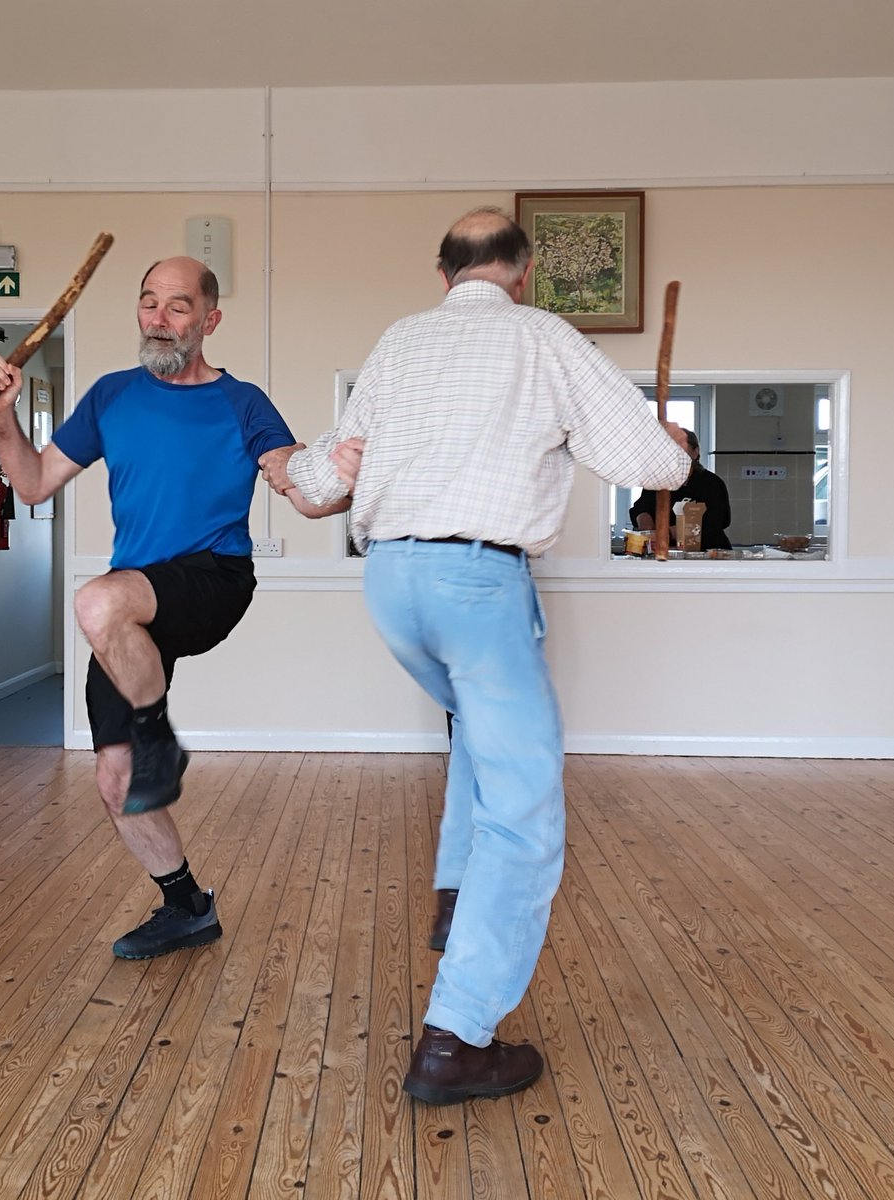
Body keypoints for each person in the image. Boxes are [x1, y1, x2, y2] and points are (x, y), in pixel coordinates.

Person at [260, 208, 691, 1106]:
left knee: (475, 738)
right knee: (525, 813)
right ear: (522, 272)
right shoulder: (543, 337)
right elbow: (650, 464)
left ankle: (457, 900)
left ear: (444, 273)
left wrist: (289, 471)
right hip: (475, 586)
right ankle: (458, 1038)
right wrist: (676, 449)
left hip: (389, 584)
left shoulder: (400, 342)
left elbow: (324, 483)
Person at [0, 255, 346, 961]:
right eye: (148, 302)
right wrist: (1, 415)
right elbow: (31, 485)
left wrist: (332, 479)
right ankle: (185, 904)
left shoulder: (243, 403)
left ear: (209, 320)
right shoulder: (112, 396)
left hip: (212, 577)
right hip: (131, 605)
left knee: (95, 598)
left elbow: (299, 486)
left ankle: (158, 739)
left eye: (178, 306)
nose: (159, 317)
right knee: (116, 777)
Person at [629, 428, 732, 549]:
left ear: (695, 452)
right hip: (666, 555)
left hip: (706, 555)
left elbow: (715, 523)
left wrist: (668, 533)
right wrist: (645, 523)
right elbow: (641, 507)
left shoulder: (712, 484)